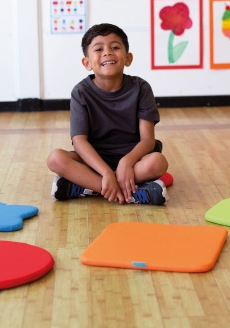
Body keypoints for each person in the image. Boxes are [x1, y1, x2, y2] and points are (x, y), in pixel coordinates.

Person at [47, 23, 169, 205]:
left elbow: (147, 140)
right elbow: (79, 140)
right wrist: (105, 172)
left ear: (128, 58)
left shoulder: (141, 88)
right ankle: (130, 192)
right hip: (95, 161)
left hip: (133, 160)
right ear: (87, 63)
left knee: (158, 162)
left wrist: (126, 163)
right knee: (55, 158)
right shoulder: (80, 92)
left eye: (115, 47)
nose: (107, 52)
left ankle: (85, 187)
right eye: (98, 49)